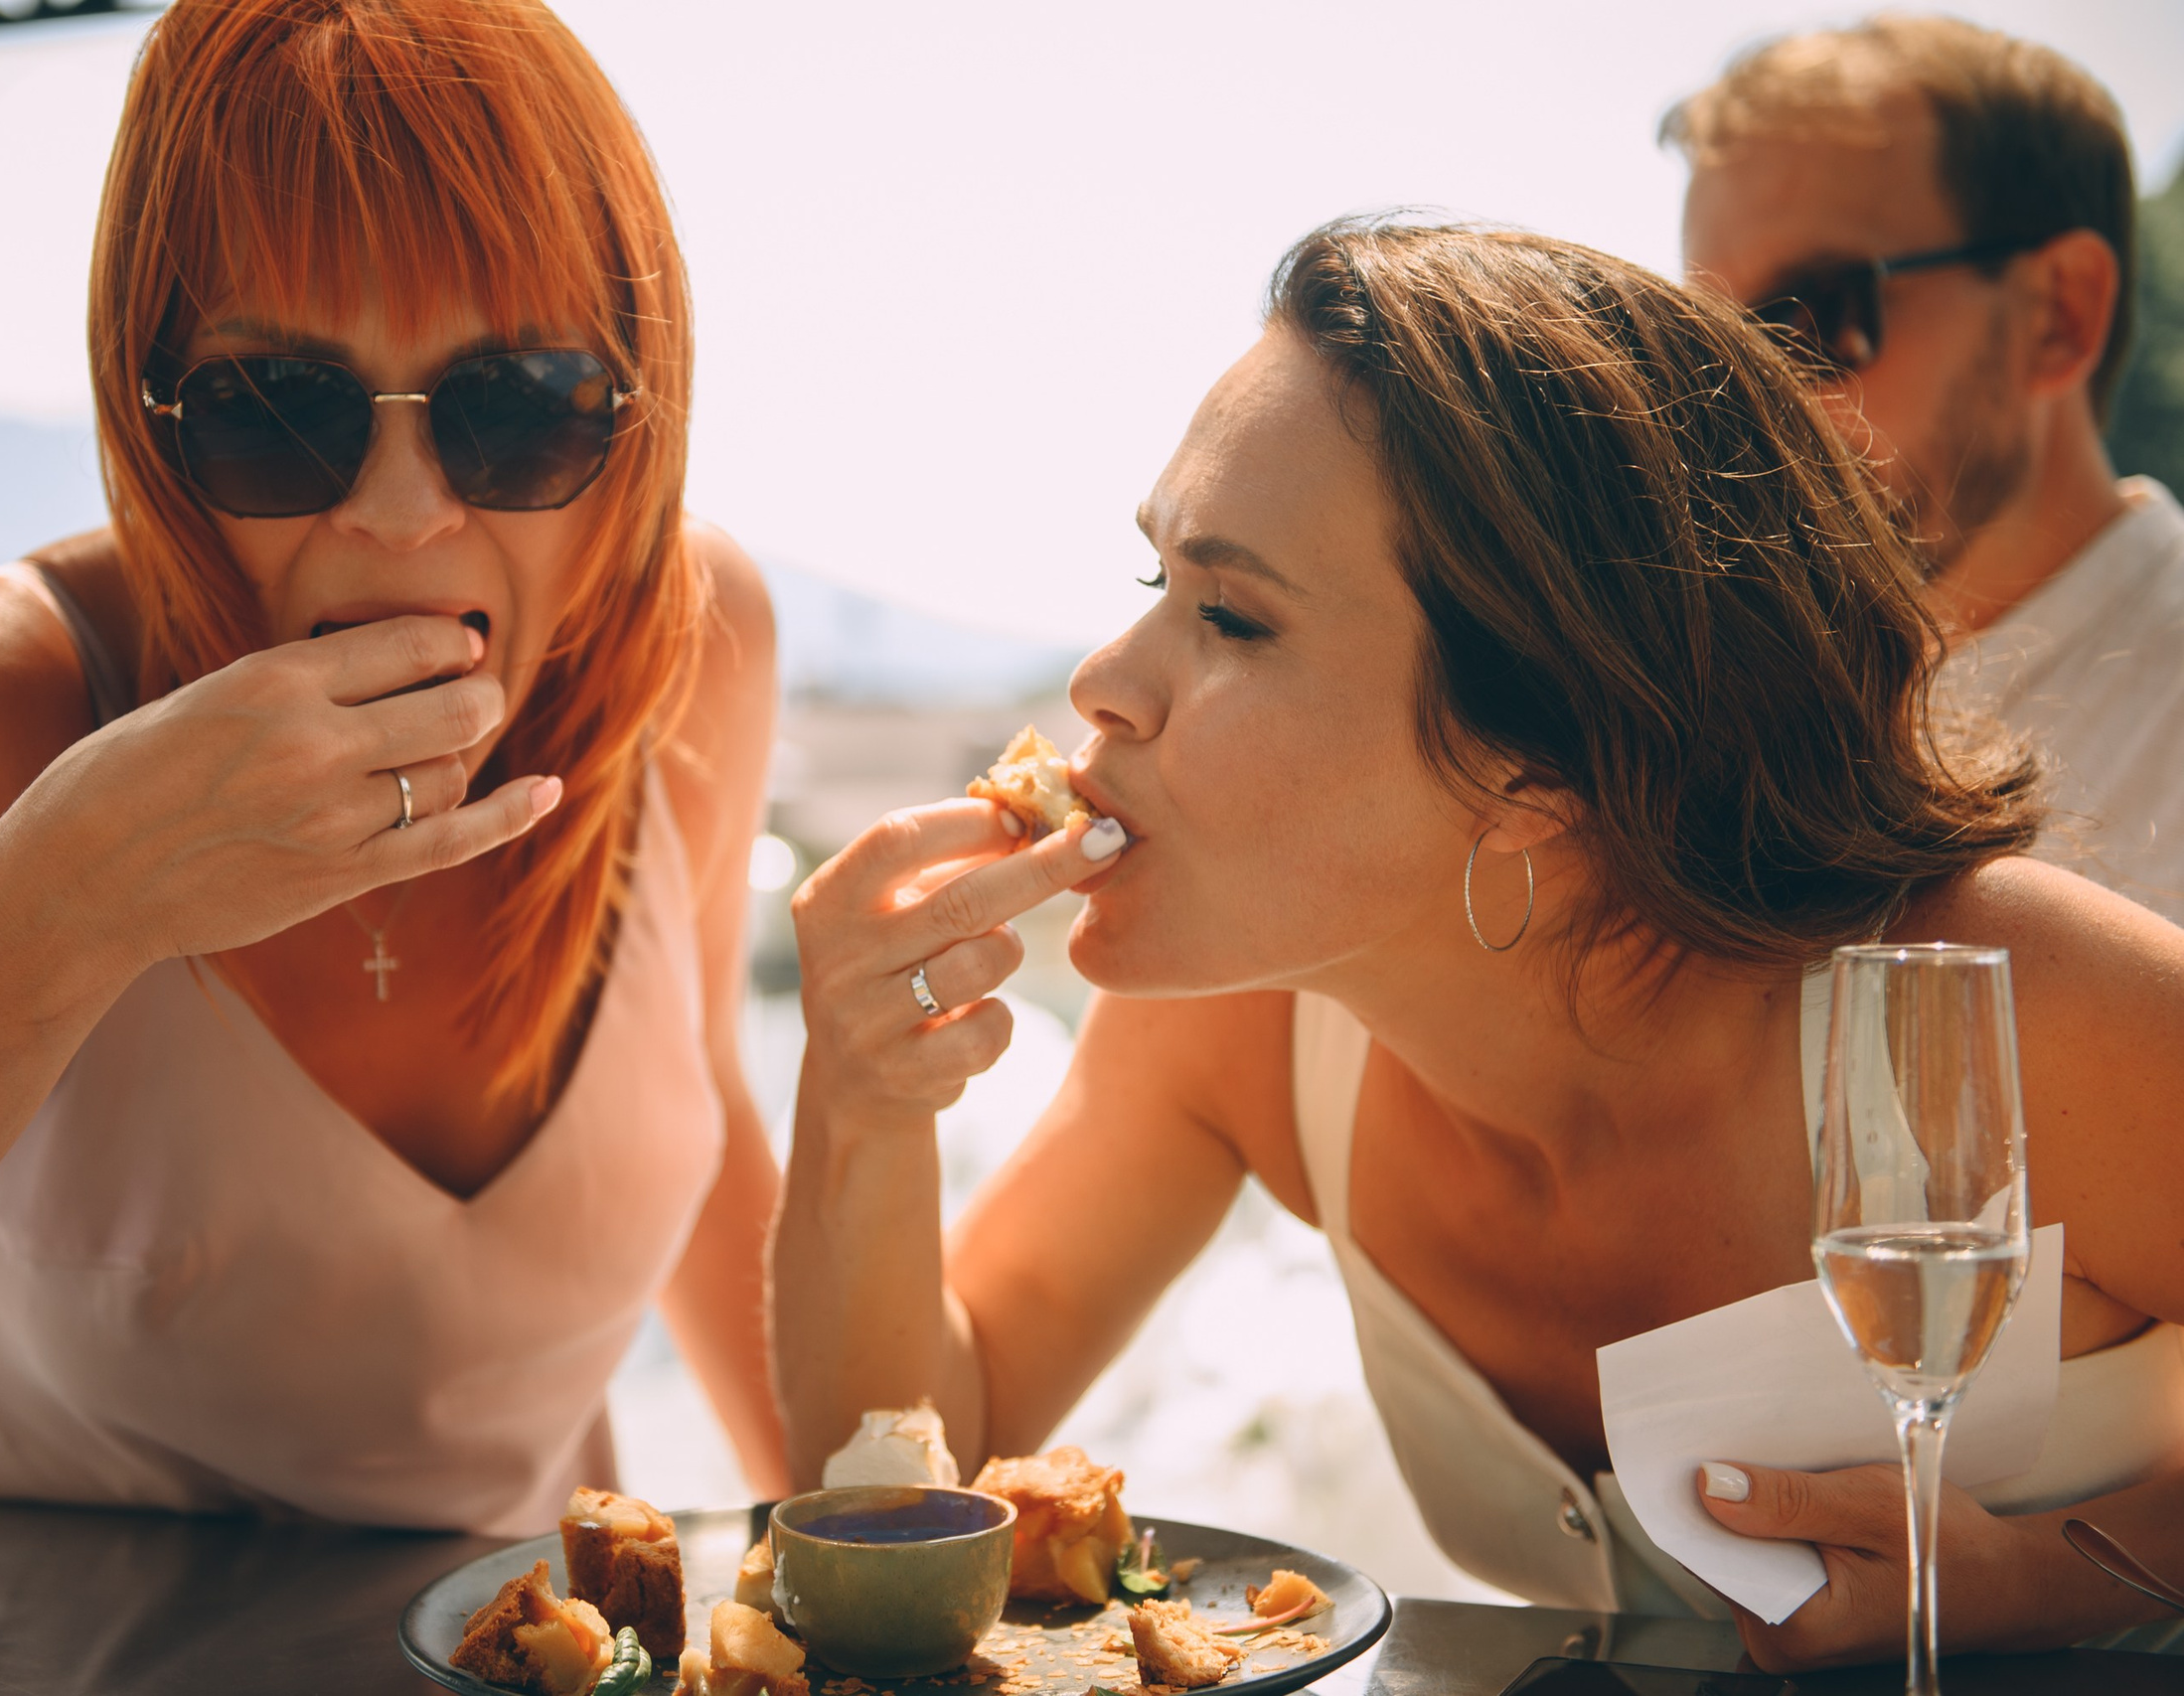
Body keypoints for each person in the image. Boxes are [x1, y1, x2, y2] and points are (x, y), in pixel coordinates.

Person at [773, 220, 2184, 1667]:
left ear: (1538, 759)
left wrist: (2075, 1578)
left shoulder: (1989, 1004)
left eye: (1231, 616)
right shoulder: (1250, 1020)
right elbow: (916, 1473)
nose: (1101, 683)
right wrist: (864, 1110)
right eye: (1154, 586)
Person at [0, 0, 785, 1581]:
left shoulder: (688, 648)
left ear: (637, 410)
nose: (399, 511)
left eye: (516, 402)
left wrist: (893, 1567)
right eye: (275, 409)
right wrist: (63, 903)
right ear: (151, 411)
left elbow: (708, 1104)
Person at [1667, 15, 2184, 925]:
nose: (1765, 406)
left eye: (1819, 313)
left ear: (2058, 313)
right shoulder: (1721, 733)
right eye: (1717, 348)